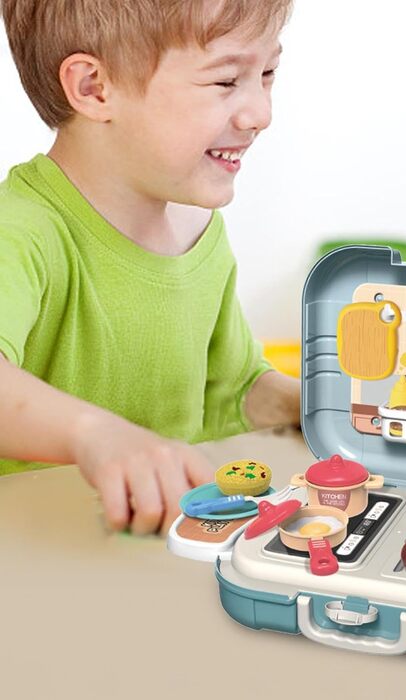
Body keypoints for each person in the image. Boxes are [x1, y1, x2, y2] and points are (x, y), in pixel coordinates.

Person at [0, 0, 300, 534]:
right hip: (35, 553)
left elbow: (232, 388)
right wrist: (93, 435)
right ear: (94, 88)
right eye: (226, 80)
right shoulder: (20, 229)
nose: (261, 113)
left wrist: (317, 404)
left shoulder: (200, 229)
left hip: (162, 549)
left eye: (268, 73)